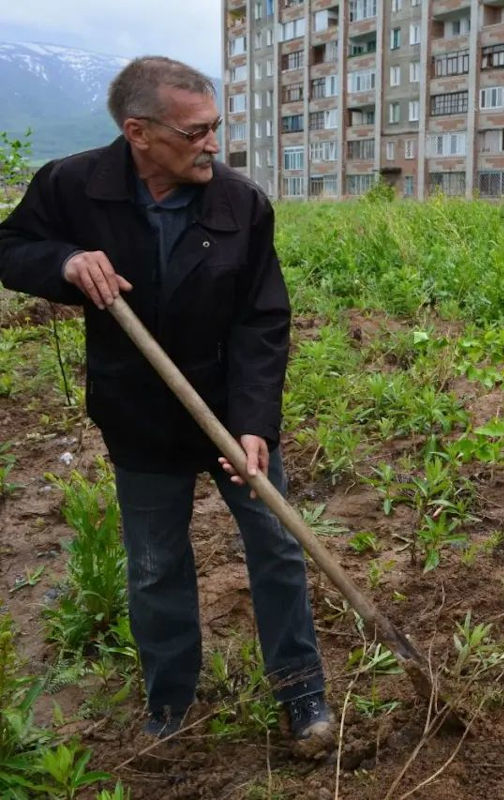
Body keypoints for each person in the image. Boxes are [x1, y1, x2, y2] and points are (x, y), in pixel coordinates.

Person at [0, 57, 332, 745]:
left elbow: (262, 321)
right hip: (138, 413)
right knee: (156, 567)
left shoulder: (241, 204)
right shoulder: (73, 186)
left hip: (229, 414)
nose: (214, 143)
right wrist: (62, 262)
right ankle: (171, 705)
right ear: (139, 133)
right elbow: (10, 247)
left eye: (215, 127)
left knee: (276, 546)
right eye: (196, 131)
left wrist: (252, 426)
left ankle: (303, 695)